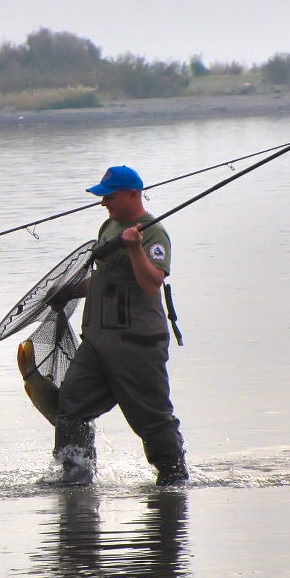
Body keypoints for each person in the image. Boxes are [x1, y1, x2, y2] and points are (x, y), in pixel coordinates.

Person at [52, 165, 188, 486]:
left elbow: (151, 282)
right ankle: (76, 477)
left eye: (109, 197)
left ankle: (174, 478)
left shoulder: (153, 233)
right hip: (98, 341)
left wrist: (134, 248)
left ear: (132, 194)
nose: (104, 204)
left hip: (136, 343)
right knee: (71, 407)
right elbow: (104, 280)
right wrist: (72, 290)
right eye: (102, 197)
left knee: (152, 420)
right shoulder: (108, 226)